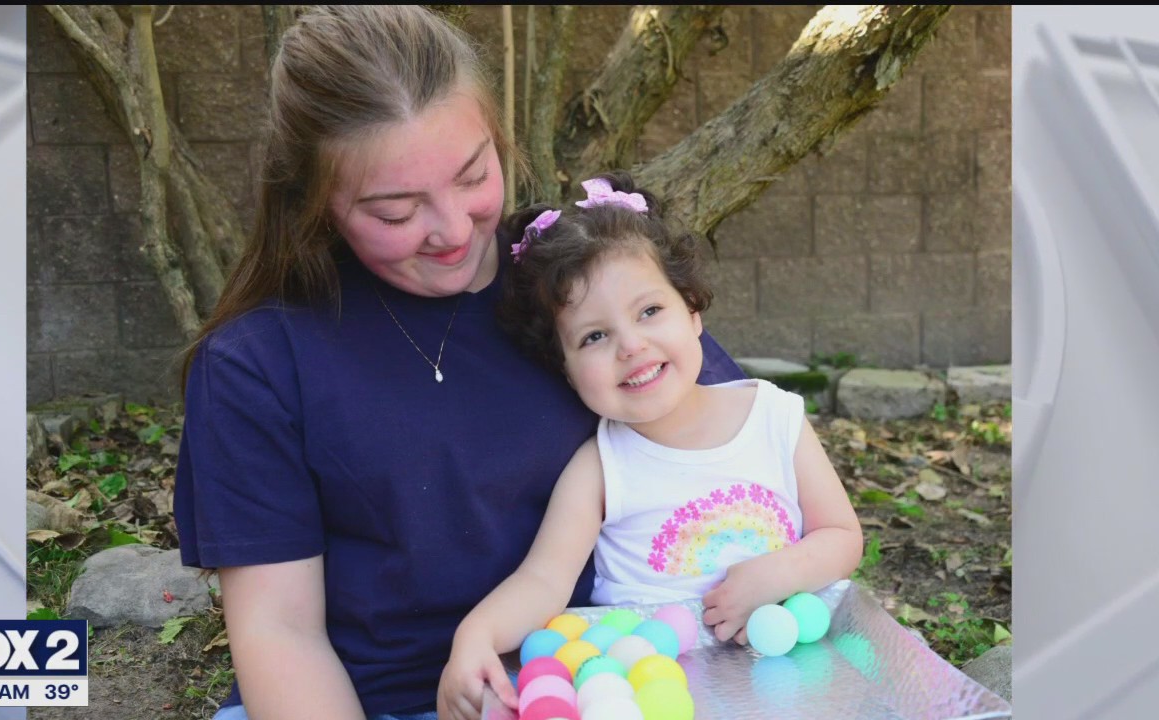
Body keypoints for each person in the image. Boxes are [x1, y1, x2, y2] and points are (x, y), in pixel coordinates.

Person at [172, 7, 746, 720]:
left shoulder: (585, 284)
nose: (450, 232)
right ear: (317, 204)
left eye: (474, 174)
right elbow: (280, 632)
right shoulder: (257, 364)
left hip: (610, 685)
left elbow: (741, 474)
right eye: (394, 212)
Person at [436, 173, 864, 720]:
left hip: (790, 673)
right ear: (564, 370)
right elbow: (542, 581)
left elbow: (843, 535)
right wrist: (474, 637)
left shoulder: (772, 416)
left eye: (649, 312)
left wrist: (778, 574)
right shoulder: (602, 467)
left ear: (693, 311)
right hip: (652, 686)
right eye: (594, 336)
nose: (631, 346)